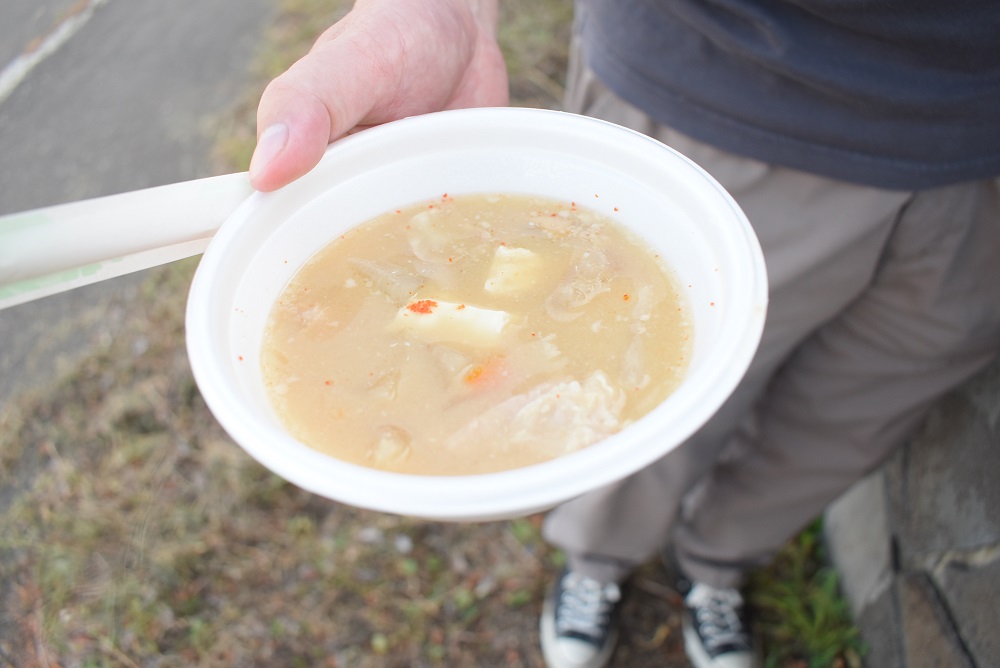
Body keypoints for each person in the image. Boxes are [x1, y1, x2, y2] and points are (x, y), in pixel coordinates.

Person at [249, 1, 1000, 666]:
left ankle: (717, 563)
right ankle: (597, 561)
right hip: (738, 86)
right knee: (642, 410)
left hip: (983, 148)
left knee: (854, 414)